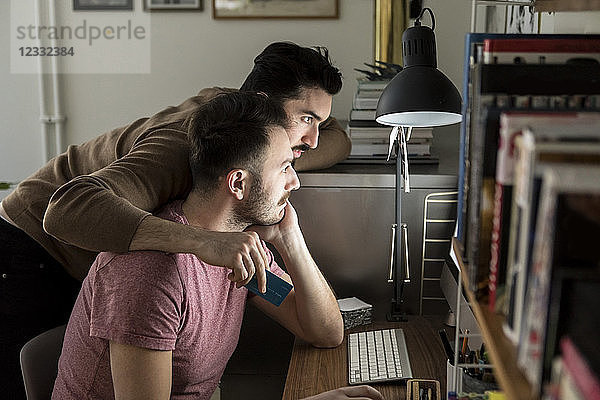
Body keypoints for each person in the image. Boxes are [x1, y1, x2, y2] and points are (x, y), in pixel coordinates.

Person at [0, 42, 349, 398]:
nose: (312, 140)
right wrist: (203, 242)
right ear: (238, 180)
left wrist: (286, 228)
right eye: (306, 119)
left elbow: (324, 331)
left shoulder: (235, 238)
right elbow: (65, 210)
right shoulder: (179, 159)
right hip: (33, 235)